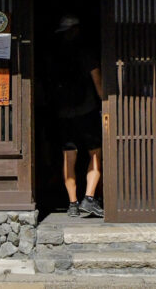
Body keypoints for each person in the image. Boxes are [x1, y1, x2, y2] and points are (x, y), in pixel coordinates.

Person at [52, 14, 104, 218]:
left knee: (68, 157)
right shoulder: (86, 53)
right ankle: (89, 198)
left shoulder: (55, 55)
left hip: (64, 115)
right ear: (77, 30)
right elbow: (98, 85)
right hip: (87, 111)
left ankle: (72, 203)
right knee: (95, 154)